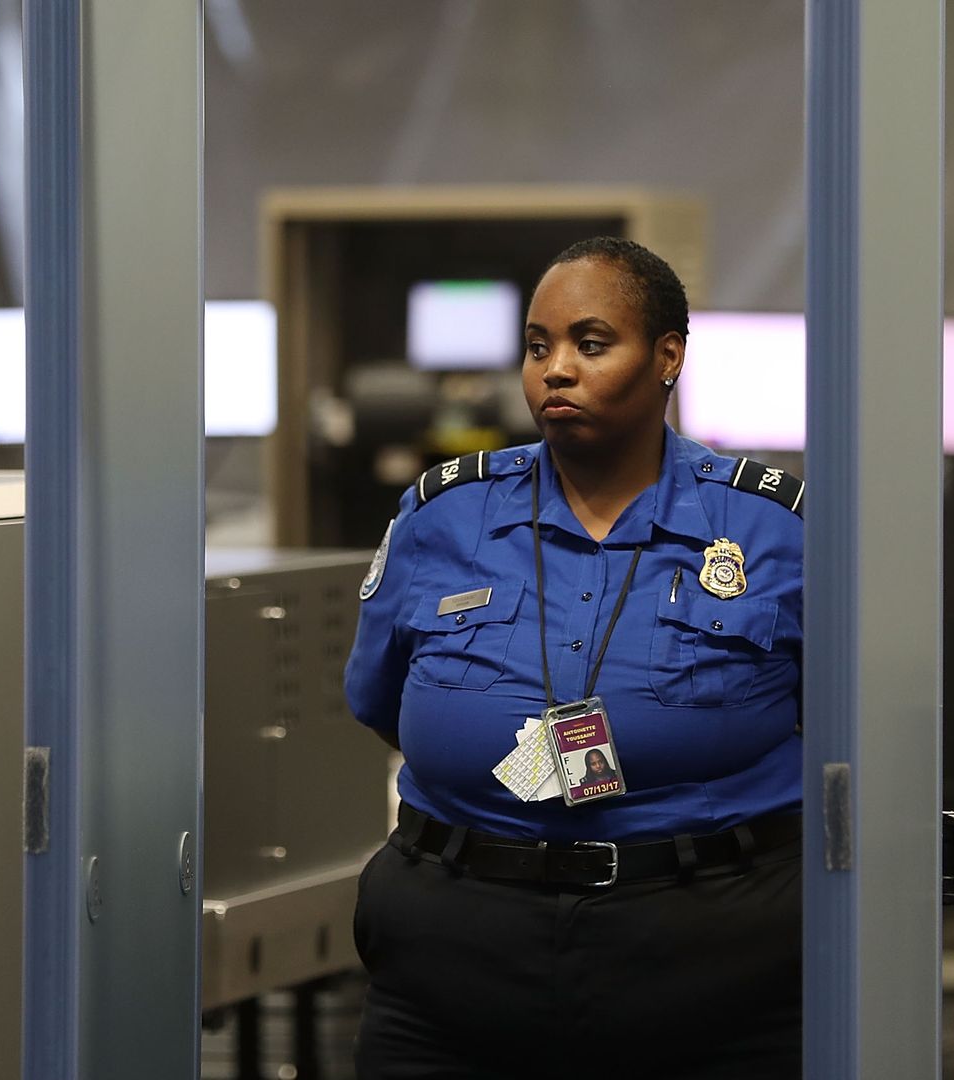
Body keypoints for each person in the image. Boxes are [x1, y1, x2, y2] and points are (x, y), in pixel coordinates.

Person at [344, 236, 804, 1078]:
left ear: (668, 357)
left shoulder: (775, 530)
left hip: (711, 963)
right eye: (537, 346)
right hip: (456, 958)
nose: (555, 369)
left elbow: (846, 736)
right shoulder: (442, 515)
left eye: (591, 344)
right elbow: (379, 702)